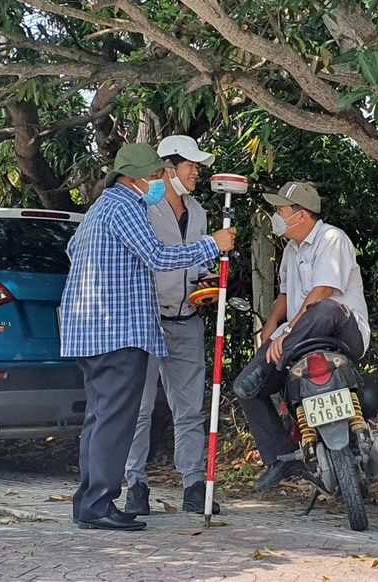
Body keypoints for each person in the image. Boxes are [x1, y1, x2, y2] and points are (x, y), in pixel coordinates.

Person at [60, 143, 235, 531]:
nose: (160, 181)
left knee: (100, 416)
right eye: (155, 176)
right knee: (116, 419)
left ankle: (89, 503)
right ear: (133, 177)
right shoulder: (125, 206)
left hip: (93, 330)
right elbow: (158, 257)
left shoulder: (101, 208)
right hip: (117, 331)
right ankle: (100, 504)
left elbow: (73, 249)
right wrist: (213, 244)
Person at [233, 182, 370, 491]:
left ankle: (278, 359)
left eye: (281, 210)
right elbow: (284, 294)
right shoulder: (291, 251)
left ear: (302, 215)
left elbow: (323, 291)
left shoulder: (331, 238)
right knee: (246, 388)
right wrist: (272, 325)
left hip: (343, 333)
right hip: (296, 339)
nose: (276, 217)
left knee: (326, 307)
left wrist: (288, 333)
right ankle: (281, 458)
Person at [122, 135, 221, 516]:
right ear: (168, 168)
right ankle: (136, 485)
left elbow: (198, 264)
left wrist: (207, 282)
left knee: (190, 409)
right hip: (146, 320)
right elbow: (153, 258)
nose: (196, 172)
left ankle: (194, 485)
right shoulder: (143, 209)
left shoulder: (198, 212)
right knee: (139, 408)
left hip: (187, 319)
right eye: (191, 165)